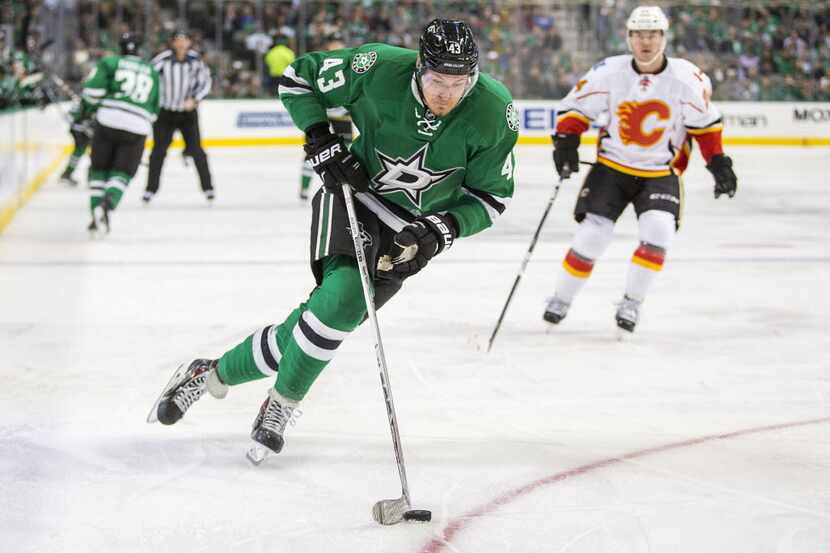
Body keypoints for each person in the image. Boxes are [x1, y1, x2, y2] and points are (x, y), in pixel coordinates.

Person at [150, 19, 518, 462]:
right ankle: (281, 403)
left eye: (458, 83)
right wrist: (320, 138)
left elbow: (490, 197)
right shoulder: (378, 67)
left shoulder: (495, 112)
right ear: (420, 67)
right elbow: (299, 76)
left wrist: (443, 229)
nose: (446, 93)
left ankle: (210, 375)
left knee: (317, 324)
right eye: (438, 80)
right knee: (341, 302)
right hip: (354, 194)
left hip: (409, 229)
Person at [544, 5, 737, 335]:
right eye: (639, 35)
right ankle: (561, 298)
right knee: (592, 235)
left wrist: (718, 163)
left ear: (664, 37)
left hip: (660, 171)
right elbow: (575, 108)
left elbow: (705, 125)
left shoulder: (686, 78)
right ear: (629, 37)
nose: (645, 42)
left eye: (652, 34)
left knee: (659, 232)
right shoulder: (608, 72)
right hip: (612, 168)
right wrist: (566, 143)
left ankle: (632, 302)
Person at [82, 33, 160, 234]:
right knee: (123, 172)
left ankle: (95, 213)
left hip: (108, 120)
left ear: (121, 47)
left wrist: (88, 111)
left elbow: (92, 93)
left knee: (99, 170)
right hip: (137, 126)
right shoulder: (151, 71)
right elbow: (154, 109)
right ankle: (108, 204)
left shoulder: (110, 62)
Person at [144, 29, 213, 203]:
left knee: (197, 151)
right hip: (165, 113)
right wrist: (153, 101)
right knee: (158, 152)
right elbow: (147, 77)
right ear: (172, 43)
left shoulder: (195, 61)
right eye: (178, 40)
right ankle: (150, 189)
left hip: (188, 114)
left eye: (185, 40)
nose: (181, 44)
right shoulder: (162, 60)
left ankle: (208, 188)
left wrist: (195, 99)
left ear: (189, 42)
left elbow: (206, 82)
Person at [297, 32, 351, 201]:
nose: (337, 47)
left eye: (339, 43)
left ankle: (345, 186)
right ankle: (304, 188)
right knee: (313, 153)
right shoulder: (317, 64)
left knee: (346, 152)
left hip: (342, 117)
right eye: (334, 44)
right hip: (321, 117)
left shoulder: (349, 63)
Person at [59, 98, 95, 186]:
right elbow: (70, 116)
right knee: (92, 152)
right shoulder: (88, 99)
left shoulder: (86, 97)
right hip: (81, 130)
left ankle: (68, 174)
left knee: (81, 151)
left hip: (80, 129)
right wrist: (83, 125)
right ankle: (92, 177)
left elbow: (69, 116)